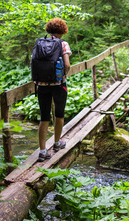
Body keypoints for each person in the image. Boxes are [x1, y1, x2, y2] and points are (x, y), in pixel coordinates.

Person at [35, 17, 71, 162]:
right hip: (59, 84)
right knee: (59, 114)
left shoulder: (40, 43)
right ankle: (57, 143)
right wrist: (63, 76)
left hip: (42, 85)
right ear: (62, 30)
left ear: (49, 29)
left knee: (44, 118)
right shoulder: (63, 44)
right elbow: (67, 65)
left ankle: (42, 151)